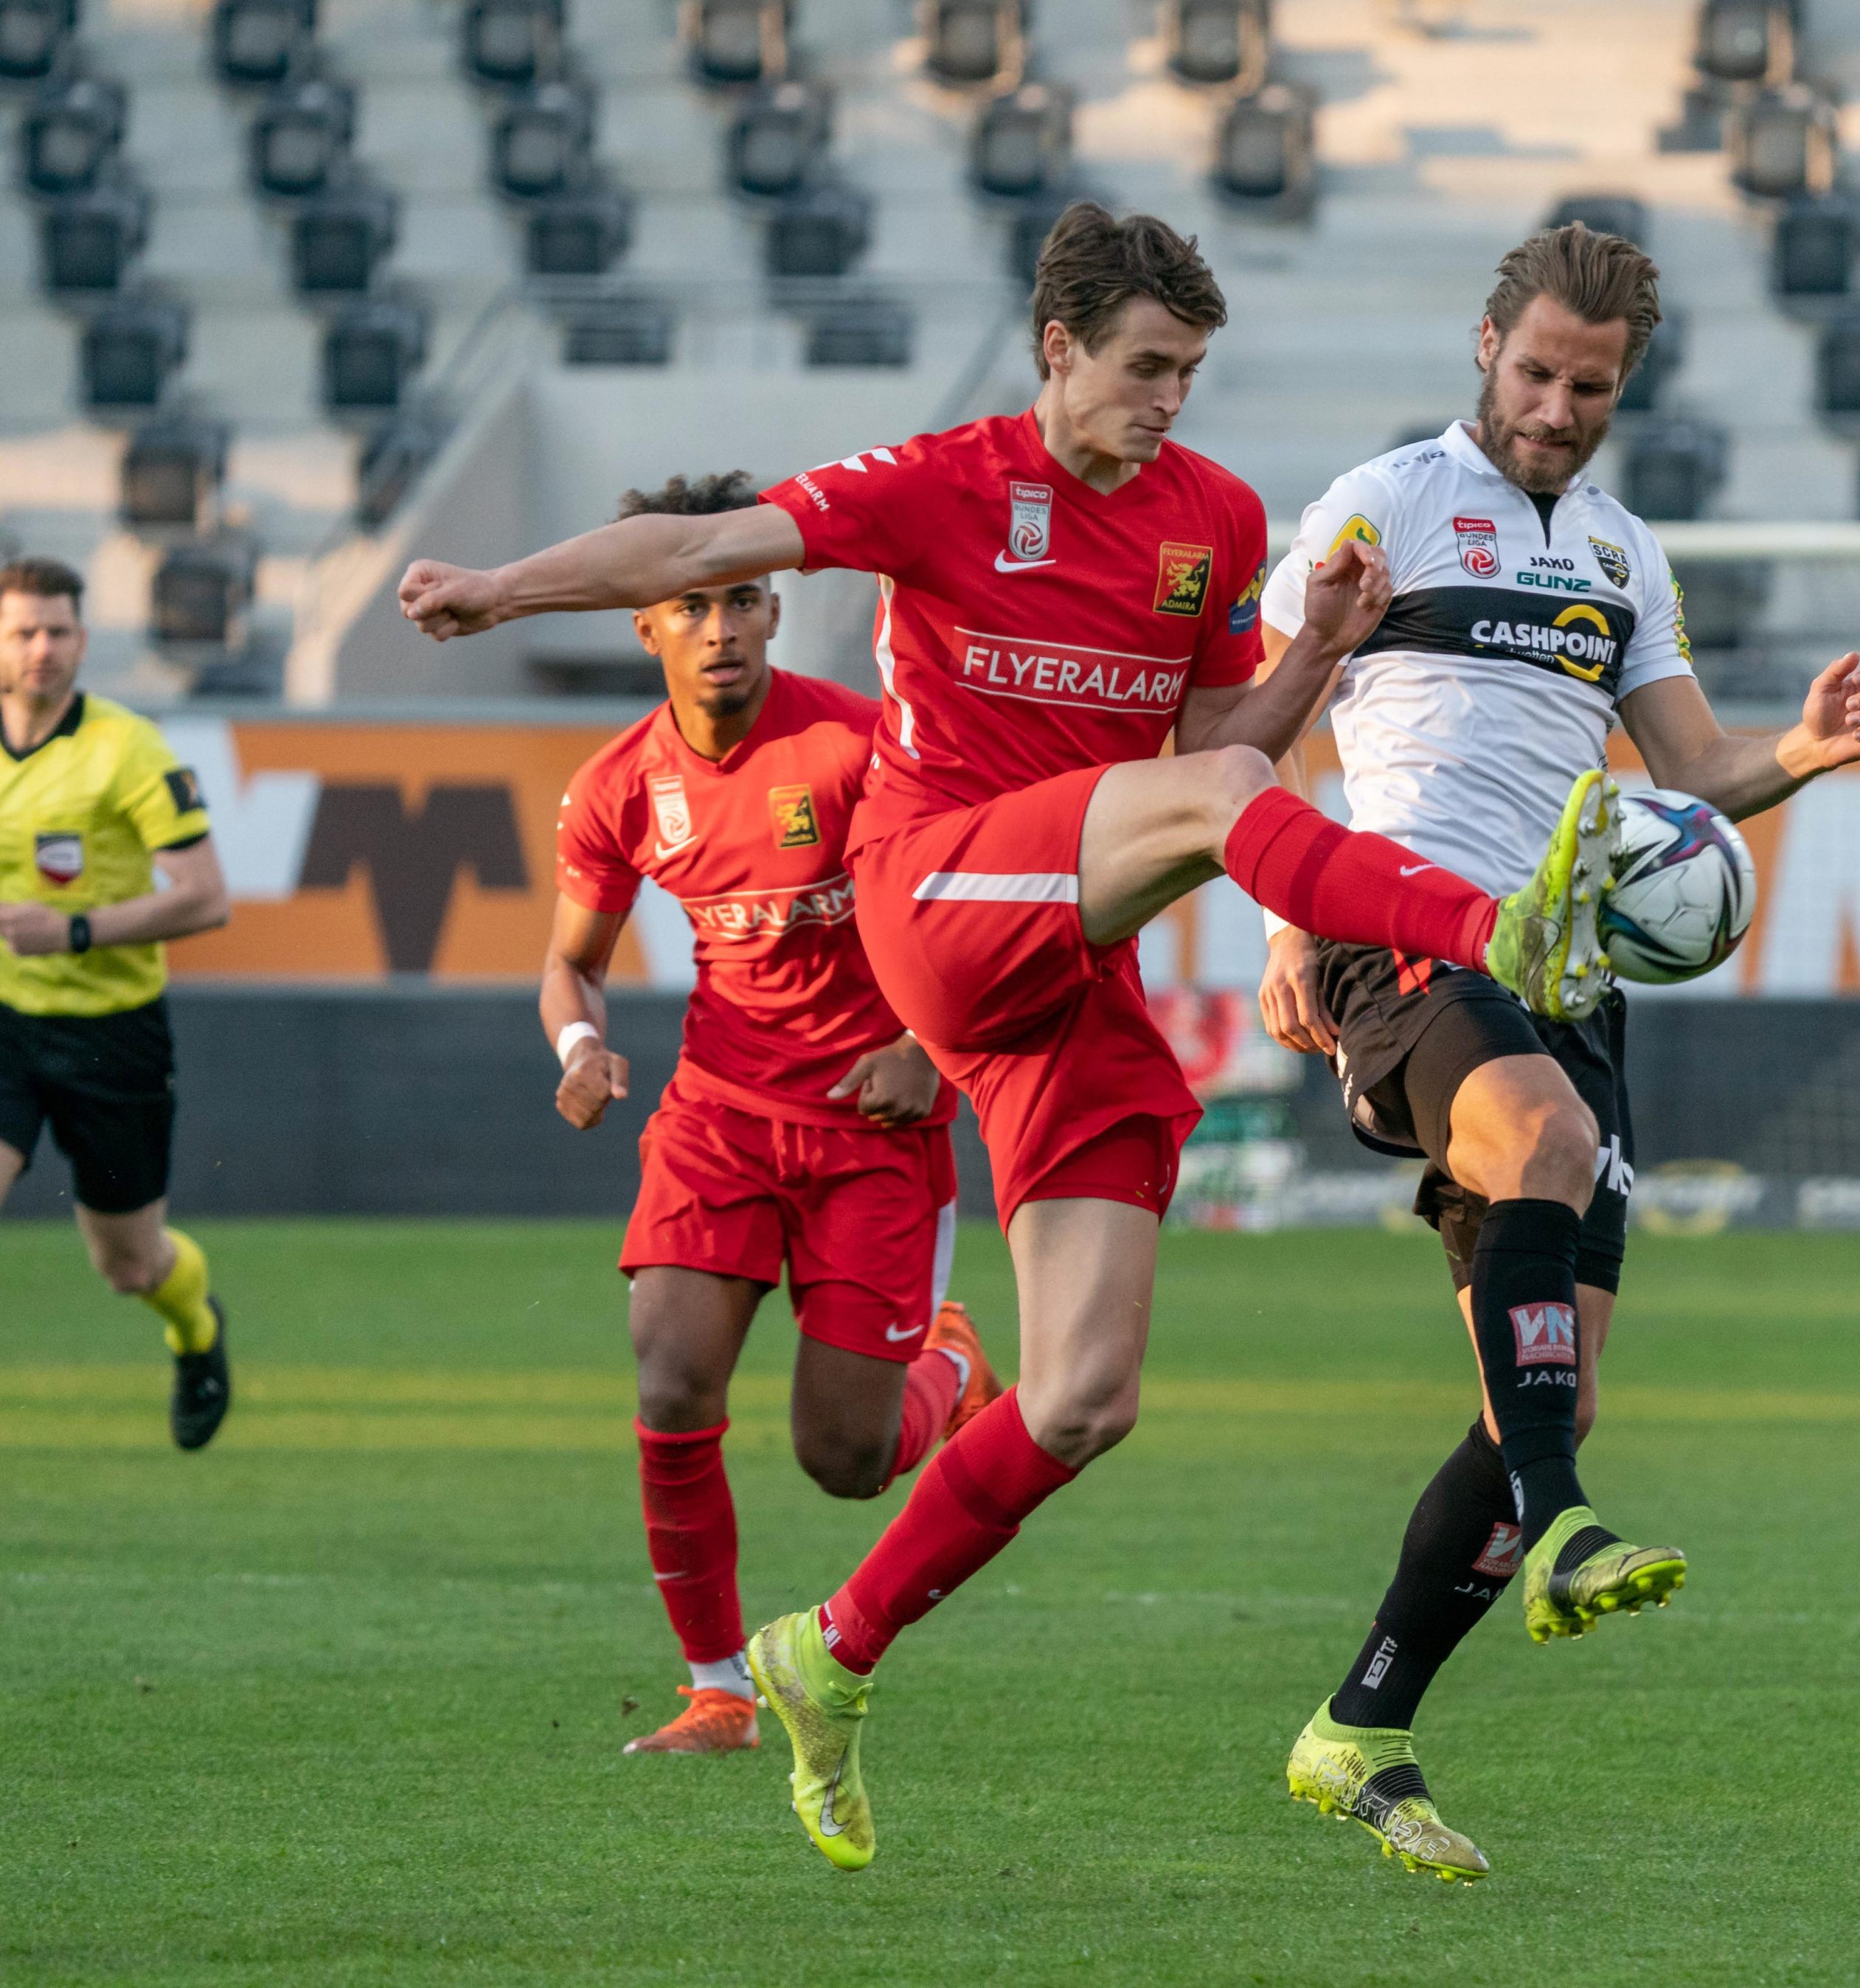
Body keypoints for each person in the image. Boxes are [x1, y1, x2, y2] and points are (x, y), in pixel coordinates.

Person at [398, 202, 1630, 1871]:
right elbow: (701, 555)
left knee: (1082, 1395)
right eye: (1142, 368)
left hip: (1072, 968)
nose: (1168, 401)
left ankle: (827, 1653)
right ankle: (1471, 921)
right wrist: (495, 587)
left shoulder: (1208, 517)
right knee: (1229, 809)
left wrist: (1318, 652)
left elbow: (1222, 739)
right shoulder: (943, 480)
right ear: (1057, 350)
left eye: (1189, 373)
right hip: (935, 890)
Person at [1257, 223, 1860, 1879]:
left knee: (1549, 1386)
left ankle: (1361, 1727)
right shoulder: (1379, 501)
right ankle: (1560, 1535)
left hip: (1568, 973)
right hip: (1399, 932)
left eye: (1589, 385)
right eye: (1536, 371)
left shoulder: (1620, 555)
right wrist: (1279, 921)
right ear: (1488, 348)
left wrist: (1808, 754)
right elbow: (1259, 725)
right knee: (1538, 1152)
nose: (1556, 405)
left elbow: (1694, 767)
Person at [544, 473, 996, 1756]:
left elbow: (978, 916)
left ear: (777, 610)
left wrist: (927, 1049)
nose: (724, 625)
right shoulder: (618, 785)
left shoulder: (862, 748)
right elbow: (568, 960)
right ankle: (720, 1690)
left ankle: (951, 1360)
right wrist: (581, 1043)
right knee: (672, 1379)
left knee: (845, 1461)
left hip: (871, 1130)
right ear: (648, 624)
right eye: (693, 603)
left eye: (745, 596)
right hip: (717, 1118)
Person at [0, 557, 234, 1447]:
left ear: (83, 640)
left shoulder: (126, 748)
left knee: (131, 1265)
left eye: (57, 630)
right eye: (23, 631)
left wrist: (77, 930)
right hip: (6, 1023)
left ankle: (196, 1328)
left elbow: (207, 895)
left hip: (111, 1036)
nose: (41, 648)